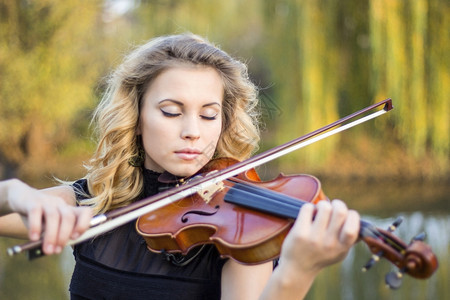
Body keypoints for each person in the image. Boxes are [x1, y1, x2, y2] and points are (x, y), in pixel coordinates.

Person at [0, 33, 360, 299]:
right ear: (136, 116)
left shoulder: (240, 231)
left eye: (208, 115)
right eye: (171, 112)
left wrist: (299, 270)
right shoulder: (99, 199)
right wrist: (17, 194)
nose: (193, 133)